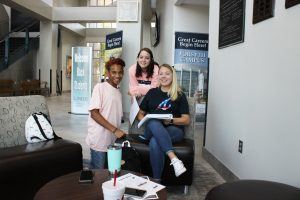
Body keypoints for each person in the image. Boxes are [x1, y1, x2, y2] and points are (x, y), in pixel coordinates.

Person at [137, 64, 190, 181]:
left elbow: (186, 119)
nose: (164, 76)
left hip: (174, 130)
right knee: (153, 121)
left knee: (155, 141)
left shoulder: (179, 95)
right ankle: (174, 160)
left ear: (172, 76)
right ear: (158, 76)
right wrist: (145, 120)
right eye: (161, 74)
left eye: (167, 74)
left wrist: (170, 120)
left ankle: (156, 181)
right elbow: (140, 114)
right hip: (153, 127)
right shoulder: (151, 93)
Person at [86, 58, 126, 169]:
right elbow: (94, 113)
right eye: (114, 72)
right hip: (99, 141)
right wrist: (115, 130)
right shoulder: (100, 88)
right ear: (108, 73)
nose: (117, 75)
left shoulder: (118, 92)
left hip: (111, 141)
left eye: (120, 72)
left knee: (109, 173)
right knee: (98, 175)